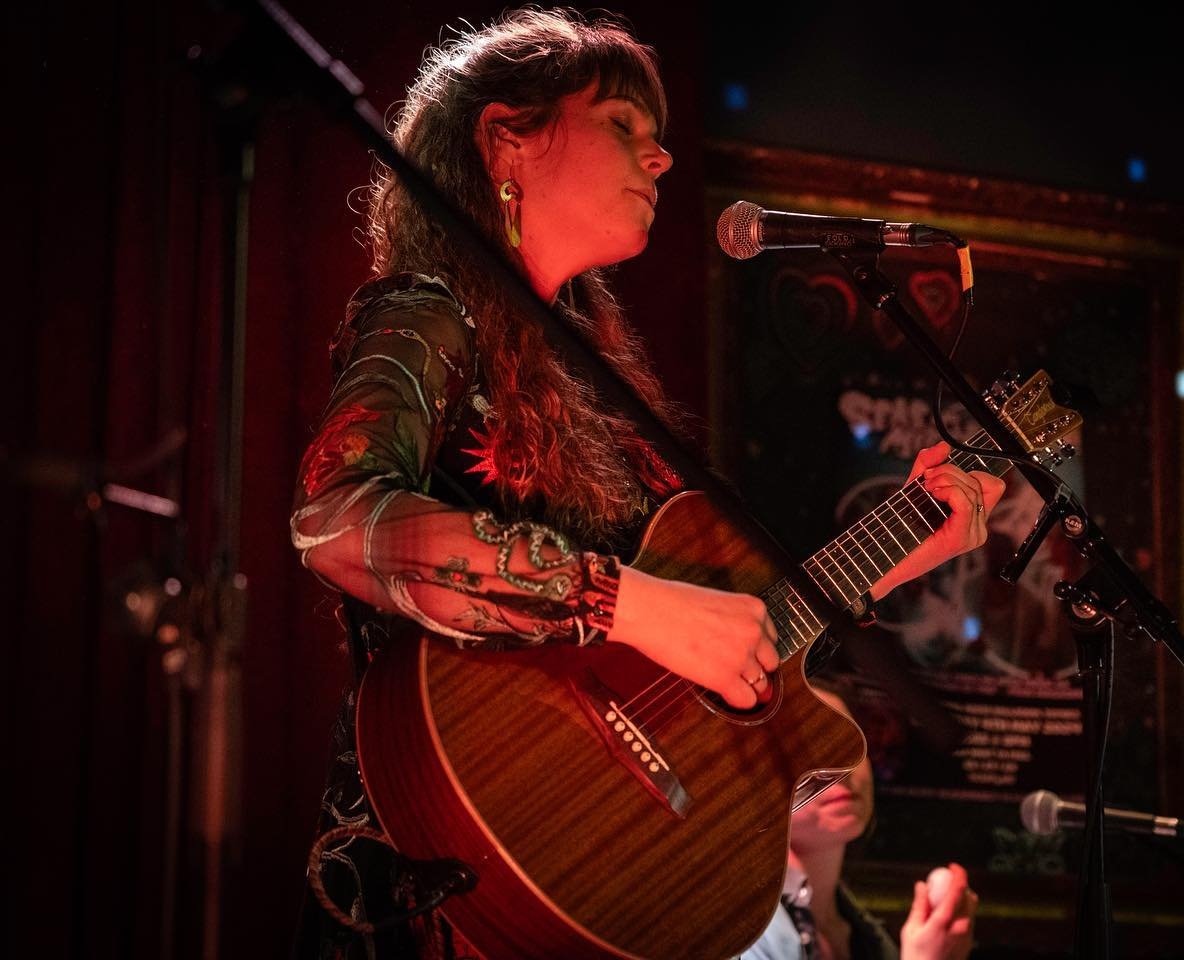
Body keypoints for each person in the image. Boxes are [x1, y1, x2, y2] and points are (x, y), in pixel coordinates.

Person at [289, 9, 1005, 958]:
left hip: (581, 863)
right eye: (622, 124)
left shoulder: (598, 392)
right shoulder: (430, 313)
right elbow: (337, 521)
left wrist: (905, 549)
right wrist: (625, 602)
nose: (661, 157)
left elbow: (715, 640)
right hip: (431, 885)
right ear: (509, 138)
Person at [741, 684, 979, 960]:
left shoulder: (858, 931)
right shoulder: (733, 935)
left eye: (851, 742)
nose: (841, 766)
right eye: (802, 747)